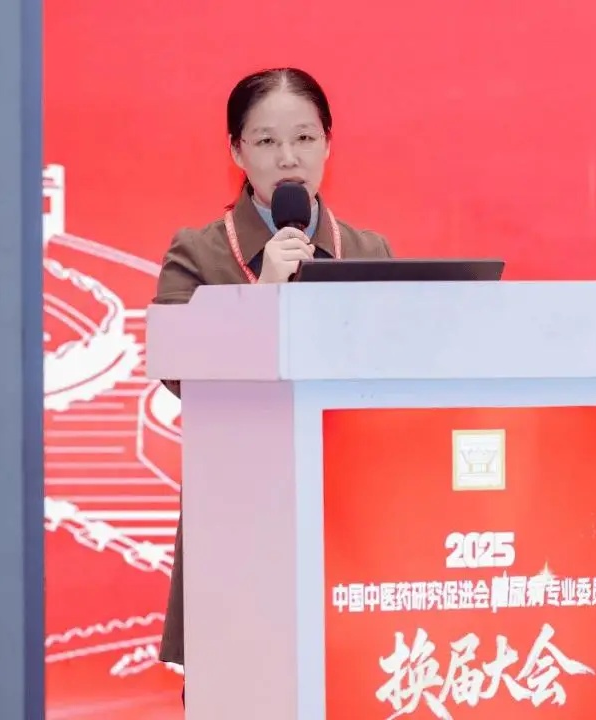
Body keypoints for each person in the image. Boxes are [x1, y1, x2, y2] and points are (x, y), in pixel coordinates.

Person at [152, 67, 393, 705]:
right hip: (239, 508)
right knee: (238, 690)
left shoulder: (370, 252)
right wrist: (263, 296)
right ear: (236, 151)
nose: (288, 158)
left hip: (351, 510)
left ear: (329, 144)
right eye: (265, 141)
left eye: (305, 138)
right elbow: (177, 369)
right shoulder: (197, 254)